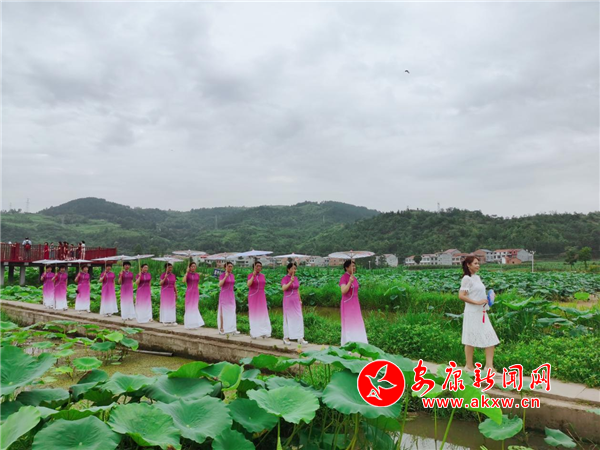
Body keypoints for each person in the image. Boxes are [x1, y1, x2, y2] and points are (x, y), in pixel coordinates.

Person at [459, 256, 499, 373]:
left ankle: (489, 367)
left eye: (478, 263)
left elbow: (478, 294)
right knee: (470, 339)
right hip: (472, 313)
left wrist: (489, 297)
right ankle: (469, 366)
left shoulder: (477, 278)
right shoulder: (466, 279)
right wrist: (477, 302)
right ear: (468, 265)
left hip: (481, 312)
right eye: (475, 263)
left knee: (490, 337)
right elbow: (461, 296)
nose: (478, 265)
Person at [339, 260, 368, 345]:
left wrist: (352, 280)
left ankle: (359, 342)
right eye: (352, 266)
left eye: (354, 266)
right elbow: (343, 291)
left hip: (355, 303)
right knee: (349, 323)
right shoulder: (344, 277)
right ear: (346, 267)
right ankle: (348, 344)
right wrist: (349, 282)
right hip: (347, 303)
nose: (354, 268)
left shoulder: (353, 277)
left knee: (357, 322)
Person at [281, 262, 308, 345]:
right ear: (288, 269)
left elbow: (297, 289)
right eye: (292, 268)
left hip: (296, 300)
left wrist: (300, 300)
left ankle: (300, 337)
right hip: (288, 301)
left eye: (295, 269)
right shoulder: (285, 278)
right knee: (288, 319)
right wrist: (290, 282)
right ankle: (286, 338)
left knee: (299, 318)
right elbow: (283, 288)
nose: (294, 270)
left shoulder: (296, 278)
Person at [247, 261, 271, 338]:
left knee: (263, 313)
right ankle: (254, 332)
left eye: (260, 266)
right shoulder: (250, 275)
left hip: (261, 295)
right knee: (254, 313)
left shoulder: (263, 276)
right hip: (253, 296)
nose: (259, 267)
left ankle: (264, 331)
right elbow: (248, 284)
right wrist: (253, 276)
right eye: (257, 266)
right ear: (253, 267)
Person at [218, 261, 239, 335]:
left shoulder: (232, 275)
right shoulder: (222, 275)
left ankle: (232, 328)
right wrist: (225, 277)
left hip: (231, 295)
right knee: (223, 312)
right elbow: (220, 285)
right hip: (224, 295)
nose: (230, 268)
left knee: (232, 311)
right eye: (228, 266)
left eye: (231, 266)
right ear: (225, 267)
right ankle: (222, 328)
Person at [183, 262, 204, 329]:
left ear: (196, 267)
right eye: (192, 266)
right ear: (189, 267)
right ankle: (189, 323)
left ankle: (194, 323)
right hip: (189, 292)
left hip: (196, 292)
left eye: (194, 266)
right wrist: (186, 273)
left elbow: (197, 283)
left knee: (195, 307)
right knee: (189, 307)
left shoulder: (197, 275)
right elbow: (183, 281)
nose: (193, 267)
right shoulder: (187, 274)